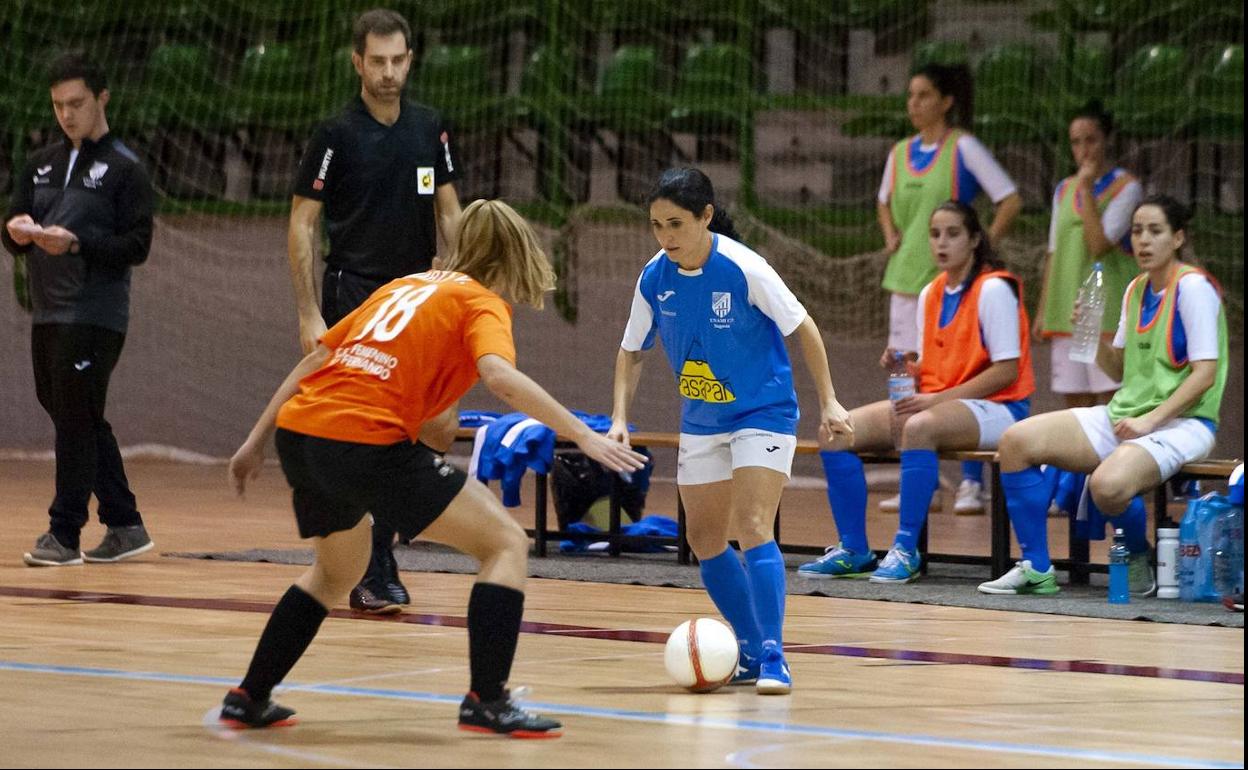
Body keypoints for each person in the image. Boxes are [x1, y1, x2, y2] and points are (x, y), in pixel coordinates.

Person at [219, 199, 647, 736]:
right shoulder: (481, 302)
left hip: (303, 435)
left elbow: (316, 359)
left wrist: (256, 442)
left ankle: (249, 696)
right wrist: (582, 433)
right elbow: (499, 376)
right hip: (364, 439)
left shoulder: (402, 285)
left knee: (335, 572)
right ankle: (487, 700)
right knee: (505, 545)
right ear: (516, 253)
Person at [608, 167, 853, 695]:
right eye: (656, 225)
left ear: (706, 217)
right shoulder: (654, 277)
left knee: (754, 522)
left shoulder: (744, 268)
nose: (665, 236)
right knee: (703, 537)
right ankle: (744, 646)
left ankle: (773, 654)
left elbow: (802, 326)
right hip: (701, 418)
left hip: (762, 412)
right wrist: (620, 419)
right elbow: (631, 350)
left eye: (675, 224)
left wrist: (829, 399)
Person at [288, 9, 463, 613]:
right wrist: (310, 311)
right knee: (369, 429)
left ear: (410, 59)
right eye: (377, 62)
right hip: (356, 297)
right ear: (357, 62)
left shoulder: (429, 127)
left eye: (398, 60)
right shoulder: (335, 135)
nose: (388, 73)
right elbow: (302, 223)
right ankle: (376, 561)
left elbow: (449, 212)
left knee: (438, 424)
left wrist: (454, 282)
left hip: (415, 297)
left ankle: (381, 535)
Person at [980, 195, 1228, 596]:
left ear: (1178, 237)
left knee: (1107, 485)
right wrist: (1093, 337)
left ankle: (1138, 553)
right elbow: (1118, 371)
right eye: (1136, 231)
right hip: (1127, 414)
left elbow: (1205, 375)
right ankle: (1037, 568)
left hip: (1186, 423)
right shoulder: (1135, 289)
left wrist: (1150, 421)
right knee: (1015, 442)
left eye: (1155, 231)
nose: (1143, 240)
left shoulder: (1194, 287)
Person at [799, 201, 1035, 584]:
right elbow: (937, 367)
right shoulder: (932, 293)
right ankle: (854, 550)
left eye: (953, 234)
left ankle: (906, 549)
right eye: (935, 234)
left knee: (919, 427)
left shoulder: (994, 289)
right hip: (945, 404)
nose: (942, 242)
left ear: (975, 239)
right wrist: (907, 368)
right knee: (835, 429)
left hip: (1002, 408)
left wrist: (935, 400)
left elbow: (1005, 371)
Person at [2, 52, 156, 567]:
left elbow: (137, 246)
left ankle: (63, 533)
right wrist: (17, 233)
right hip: (48, 310)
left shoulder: (126, 169)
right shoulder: (40, 163)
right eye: (58, 105)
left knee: (74, 414)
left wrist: (76, 245)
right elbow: (16, 225)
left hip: (95, 312)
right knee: (74, 412)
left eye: (76, 103)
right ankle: (125, 523)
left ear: (102, 98)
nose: (66, 115)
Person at [875, 63, 1023, 516]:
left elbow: (1010, 198)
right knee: (905, 378)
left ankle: (970, 484)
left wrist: (984, 250)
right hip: (908, 282)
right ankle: (918, 479)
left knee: (965, 371)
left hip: (958, 285)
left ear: (946, 101)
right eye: (910, 95)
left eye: (923, 95)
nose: (913, 104)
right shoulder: (900, 152)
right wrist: (890, 235)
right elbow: (883, 201)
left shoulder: (964, 147)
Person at [1035, 101, 1143, 408]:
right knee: (1076, 407)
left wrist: (1086, 188)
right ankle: (1081, 459)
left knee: (1110, 403)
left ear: (1107, 140)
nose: (1083, 149)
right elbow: (1054, 252)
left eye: (1091, 140)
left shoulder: (1127, 187)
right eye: (1076, 142)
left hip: (1106, 307)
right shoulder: (1062, 189)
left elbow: (1099, 243)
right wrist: (1044, 309)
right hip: (1069, 307)